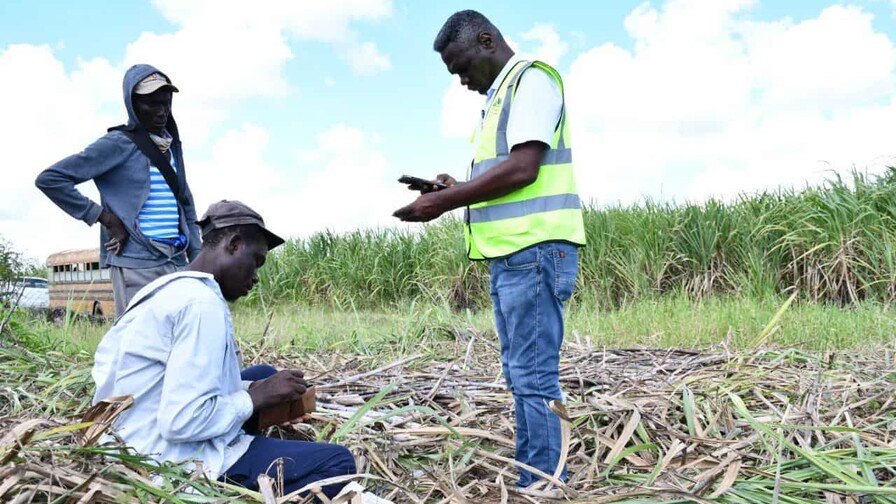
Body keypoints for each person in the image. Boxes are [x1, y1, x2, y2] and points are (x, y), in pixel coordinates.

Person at [393, 9, 586, 492]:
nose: (461, 80)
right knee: (521, 373)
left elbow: (523, 169)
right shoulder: (501, 96)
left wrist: (443, 201)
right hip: (514, 256)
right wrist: (454, 187)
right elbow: (503, 175)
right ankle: (535, 477)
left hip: (535, 251)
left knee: (534, 375)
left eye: (462, 67)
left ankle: (543, 484)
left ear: (486, 41)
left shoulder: (531, 81)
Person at [91, 200, 356, 499]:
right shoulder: (200, 304)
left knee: (264, 375)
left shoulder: (170, 289)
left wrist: (264, 390)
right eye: (255, 262)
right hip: (164, 461)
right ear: (234, 244)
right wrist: (255, 397)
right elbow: (181, 421)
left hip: (128, 437)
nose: (256, 277)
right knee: (339, 463)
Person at [36, 64, 202, 318]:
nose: (161, 111)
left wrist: (196, 257)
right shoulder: (118, 144)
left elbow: (185, 202)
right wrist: (105, 218)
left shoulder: (169, 147)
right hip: (137, 265)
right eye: (151, 103)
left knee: (179, 334)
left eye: (165, 103)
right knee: (139, 338)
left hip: (176, 261)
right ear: (132, 105)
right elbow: (51, 179)